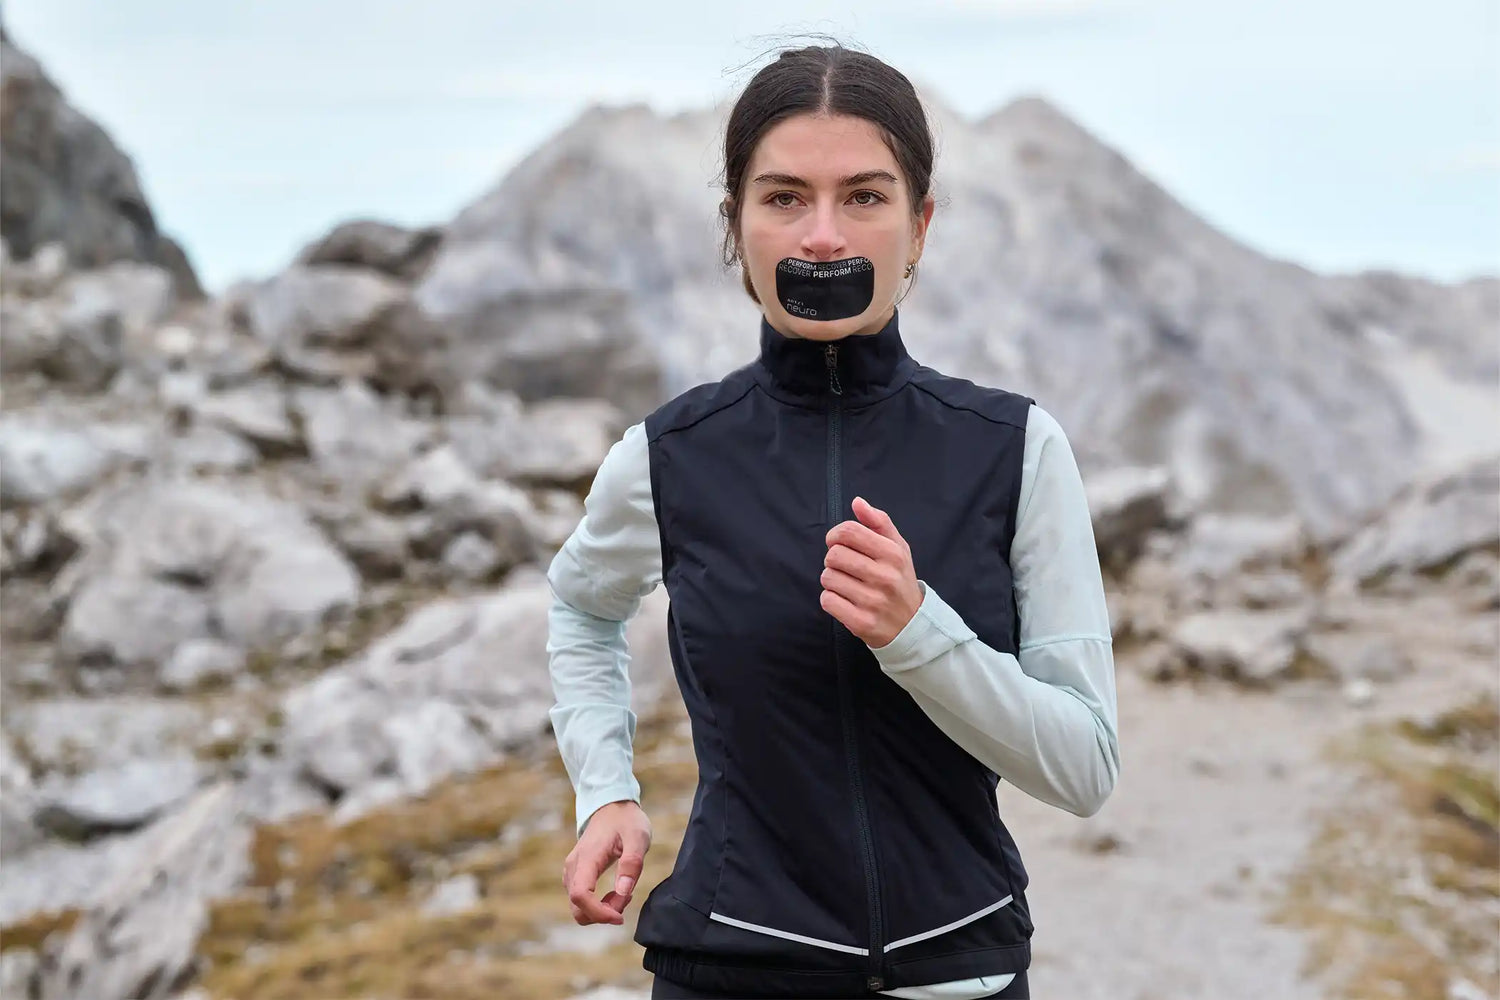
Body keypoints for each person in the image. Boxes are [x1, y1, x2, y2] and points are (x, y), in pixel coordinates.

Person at [545, 42, 1119, 1000]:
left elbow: (1084, 769)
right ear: (736, 226)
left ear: (919, 225)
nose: (822, 236)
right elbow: (580, 607)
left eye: (863, 196)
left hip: (959, 968)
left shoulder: (1015, 448)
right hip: (729, 964)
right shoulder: (668, 455)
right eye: (783, 198)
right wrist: (604, 788)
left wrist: (919, 635)